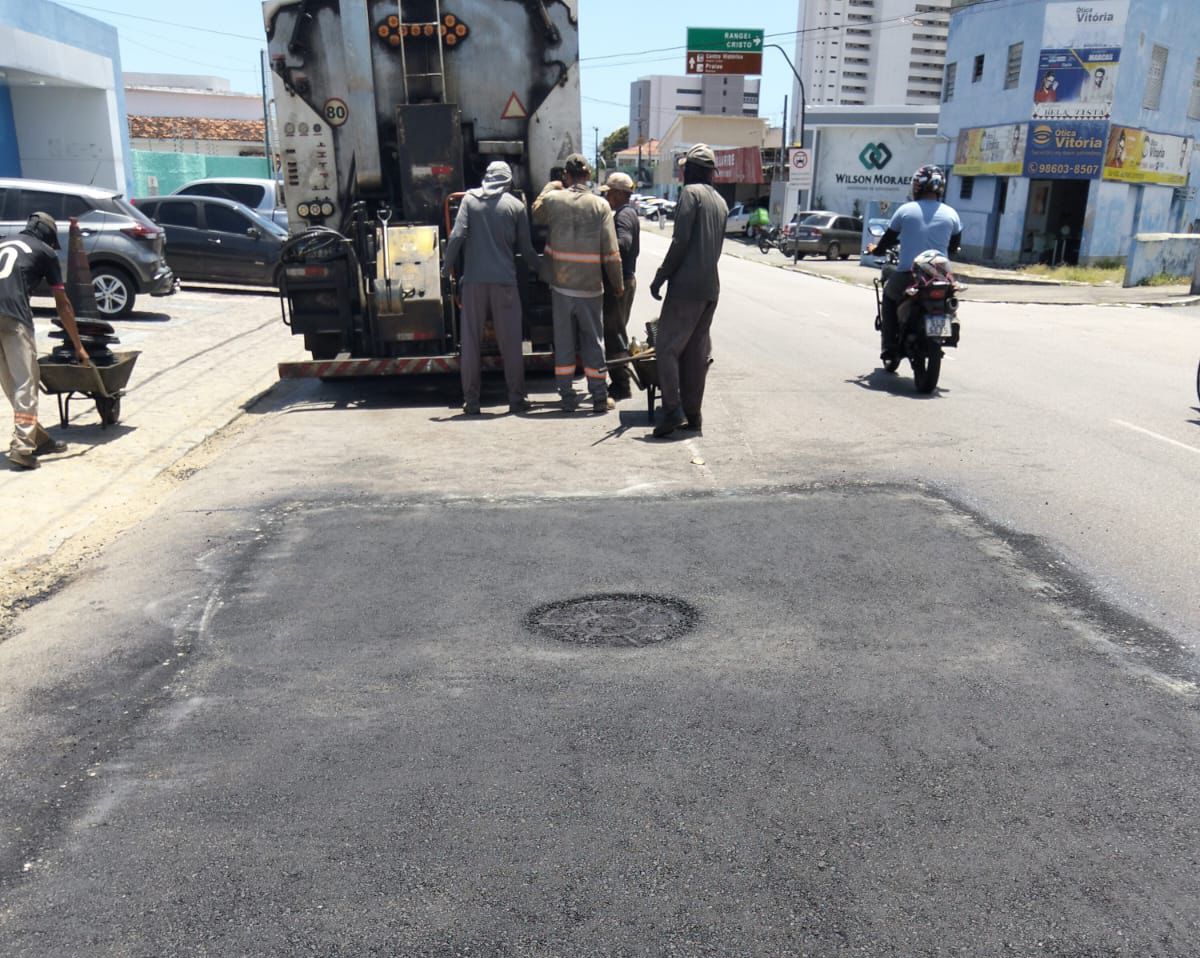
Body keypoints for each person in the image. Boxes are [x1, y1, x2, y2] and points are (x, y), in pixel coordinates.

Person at [442, 160, 540, 416]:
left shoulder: (469, 201)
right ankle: (516, 400)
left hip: (473, 283)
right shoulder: (516, 206)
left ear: (486, 177)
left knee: (471, 343)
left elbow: (457, 236)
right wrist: (547, 272)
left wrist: (446, 267)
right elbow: (527, 251)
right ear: (508, 181)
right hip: (505, 283)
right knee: (511, 344)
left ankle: (471, 401)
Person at [532, 153, 623, 414]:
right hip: (591, 287)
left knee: (564, 343)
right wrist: (617, 283)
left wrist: (550, 187)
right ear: (588, 176)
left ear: (566, 175)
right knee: (593, 342)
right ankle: (599, 398)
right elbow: (611, 252)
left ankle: (567, 398)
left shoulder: (553, 200)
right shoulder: (600, 205)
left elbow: (536, 213)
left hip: (561, 287)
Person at [648, 143, 727, 438]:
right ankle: (694, 415)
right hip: (710, 288)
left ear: (691, 170)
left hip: (686, 287)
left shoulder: (690, 195)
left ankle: (672, 410)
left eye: (685, 169)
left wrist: (661, 276)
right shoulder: (720, 202)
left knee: (666, 347)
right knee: (695, 354)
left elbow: (680, 241)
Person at [0, 212, 89, 471]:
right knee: (25, 383)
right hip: (14, 318)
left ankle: (37, 437)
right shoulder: (45, 252)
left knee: (11, 383)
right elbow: (63, 304)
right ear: (47, 235)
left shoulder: (3, 242)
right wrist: (79, 346)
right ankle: (22, 448)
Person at [867, 165, 962, 364]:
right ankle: (951, 323)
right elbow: (954, 247)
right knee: (949, 299)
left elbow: (886, 241)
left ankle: (889, 346)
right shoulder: (952, 214)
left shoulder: (905, 210)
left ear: (917, 186)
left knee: (889, 296)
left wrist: (876, 249)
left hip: (909, 275)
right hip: (941, 276)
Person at [599, 171, 640, 402]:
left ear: (618, 193)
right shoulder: (628, 213)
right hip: (625, 280)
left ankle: (621, 384)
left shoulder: (623, 216)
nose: (607, 198)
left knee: (614, 335)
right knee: (617, 332)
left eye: (609, 193)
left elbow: (623, 243)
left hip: (620, 282)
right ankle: (620, 381)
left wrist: (605, 249)